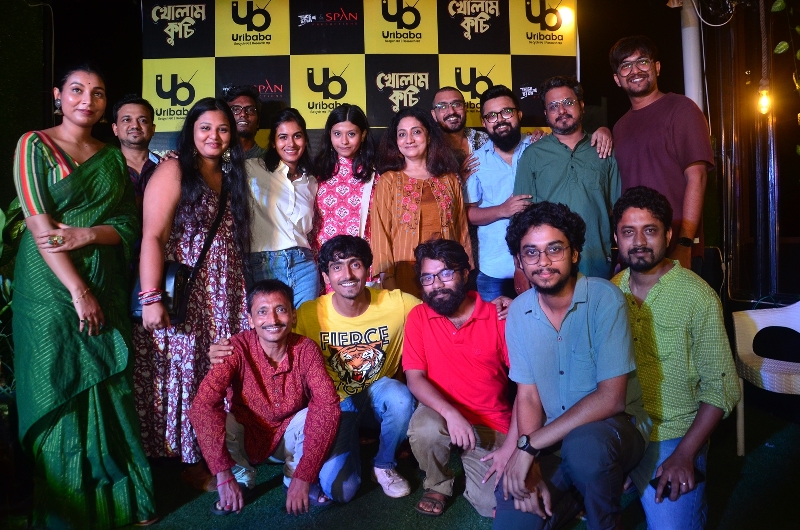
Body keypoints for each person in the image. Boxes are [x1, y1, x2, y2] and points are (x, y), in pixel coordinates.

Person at [12, 64, 156, 527]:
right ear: (58, 96)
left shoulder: (111, 158)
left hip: (104, 281)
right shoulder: (34, 144)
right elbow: (40, 226)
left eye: (97, 93)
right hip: (48, 287)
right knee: (56, 381)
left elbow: (128, 226)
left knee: (109, 384)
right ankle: (69, 510)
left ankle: (124, 502)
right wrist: (78, 291)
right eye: (76, 90)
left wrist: (87, 234)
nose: (86, 101)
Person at [210, 235, 419, 500]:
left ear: (368, 269)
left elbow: (437, 318)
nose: (347, 274)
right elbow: (269, 332)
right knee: (340, 491)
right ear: (325, 276)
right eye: (337, 267)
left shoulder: (398, 303)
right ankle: (347, 448)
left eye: (355, 264)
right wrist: (227, 349)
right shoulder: (309, 313)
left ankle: (383, 464)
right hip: (334, 407)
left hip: (378, 395)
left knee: (400, 397)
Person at [496, 201, 651, 530]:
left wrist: (529, 446)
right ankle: (573, 496)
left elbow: (611, 398)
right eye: (531, 252)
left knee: (585, 450)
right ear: (519, 261)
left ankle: (604, 518)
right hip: (552, 439)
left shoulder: (604, 298)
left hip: (614, 431)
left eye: (554, 249)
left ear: (575, 253)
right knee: (513, 507)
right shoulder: (519, 312)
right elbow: (528, 397)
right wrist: (530, 462)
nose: (543, 262)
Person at [133, 97, 251, 479]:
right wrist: (151, 298)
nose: (214, 136)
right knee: (184, 373)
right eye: (205, 128)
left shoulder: (230, 174)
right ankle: (189, 463)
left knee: (213, 373)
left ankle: (215, 454)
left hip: (224, 292)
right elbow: (153, 235)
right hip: (185, 294)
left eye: (222, 129)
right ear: (191, 132)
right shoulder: (174, 169)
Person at [611, 186, 739, 529]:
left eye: (650, 230)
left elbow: (721, 388)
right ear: (616, 238)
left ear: (668, 235)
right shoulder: (610, 290)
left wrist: (684, 454)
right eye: (628, 232)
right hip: (622, 430)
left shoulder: (698, 296)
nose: (639, 241)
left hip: (674, 435)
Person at [190, 280, 341, 516]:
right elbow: (203, 405)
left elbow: (327, 405)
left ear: (293, 316)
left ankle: (294, 478)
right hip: (246, 436)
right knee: (217, 418)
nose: (272, 319)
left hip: (289, 439)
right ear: (250, 320)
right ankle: (241, 477)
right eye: (262, 311)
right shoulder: (234, 348)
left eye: (280, 309)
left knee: (314, 413)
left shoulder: (306, 349)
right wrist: (223, 474)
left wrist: (305, 475)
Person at [403, 239, 518, 518]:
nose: (437, 284)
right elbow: (415, 379)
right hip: (441, 411)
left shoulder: (498, 317)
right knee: (425, 428)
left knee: (494, 506)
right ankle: (438, 484)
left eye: (446, 273)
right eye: (428, 277)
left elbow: (527, 386)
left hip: (490, 420)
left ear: (466, 274)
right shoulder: (419, 317)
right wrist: (451, 413)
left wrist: (514, 444)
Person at [610, 35, 714, 272]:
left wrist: (684, 243)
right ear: (617, 79)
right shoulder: (619, 127)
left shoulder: (682, 109)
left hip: (676, 247)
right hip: (635, 252)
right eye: (626, 66)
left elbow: (697, 177)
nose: (635, 70)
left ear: (656, 67)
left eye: (642, 62)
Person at [514, 75, 621, 280]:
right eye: (553, 106)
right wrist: (519, 267)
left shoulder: (603, 149)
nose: (561, 110)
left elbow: (619, 210)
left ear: (581, 105)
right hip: (548, 265)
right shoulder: (532, 155)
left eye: (568, 102)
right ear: (546, 114)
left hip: (596, 261)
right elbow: (521, 217)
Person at [372, 107, 472, 297]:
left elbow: (462, 230)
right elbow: (380, 233)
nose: (409, 139)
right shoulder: (389, 181)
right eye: (402, 134)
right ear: (396, 141)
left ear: (429, 136)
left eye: (416, 132)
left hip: (447, 272)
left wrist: (465, 271)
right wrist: (387, 277)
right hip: (404, 273)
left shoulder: (449, 179)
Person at [464, 85, 533, 301]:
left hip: (539, 265)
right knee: (494, 323)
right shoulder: (476, 161)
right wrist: (503, 210)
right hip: (494, 270)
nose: (500, 120)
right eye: (491, 116)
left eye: (506, 112)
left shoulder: (539, 149)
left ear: (519, 114)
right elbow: (469, 214)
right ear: (484, 122)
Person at [246, 108, 319, 307]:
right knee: (270, 323)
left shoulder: (311, 182)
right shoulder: (252, 169)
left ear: (305, 139)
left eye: (297, 136)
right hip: (263, 264)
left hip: (304, 265)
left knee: (304, 323)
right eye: (283, 137)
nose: (291, 144)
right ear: (273, 142)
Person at [312, 104, 379, 289]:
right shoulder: (315, 173)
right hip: (324, 264)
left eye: (351, 134)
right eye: (337, 134)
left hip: (360, 264)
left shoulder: (376, 175)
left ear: (363, 134)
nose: (344, 141)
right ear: (329, 134)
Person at [111, 94, 160, 209]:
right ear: (115, 129)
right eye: (126, 120)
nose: (135, 126)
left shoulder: (165, 165)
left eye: (143, 120)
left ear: (153, 129)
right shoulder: (104, 167)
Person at [222, 84, 267, 160]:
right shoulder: (216, 159)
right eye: (236, 109)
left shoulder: (269, 161)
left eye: (250, 110)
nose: (243, 114)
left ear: (258, 122)